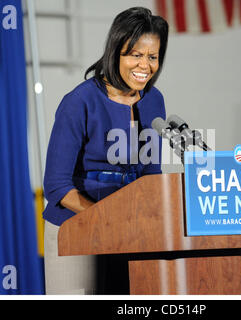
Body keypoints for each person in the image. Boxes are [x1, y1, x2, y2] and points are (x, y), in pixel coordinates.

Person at [42, 7, 169, 294]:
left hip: (130, 230)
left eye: (152, 57)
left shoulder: (154, 100)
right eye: (135, 54)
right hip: (74, 225)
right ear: (116, 52)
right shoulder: (80, 101)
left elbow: (152, 174)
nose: (145, 65)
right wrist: (105, 220)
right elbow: (56, 186)